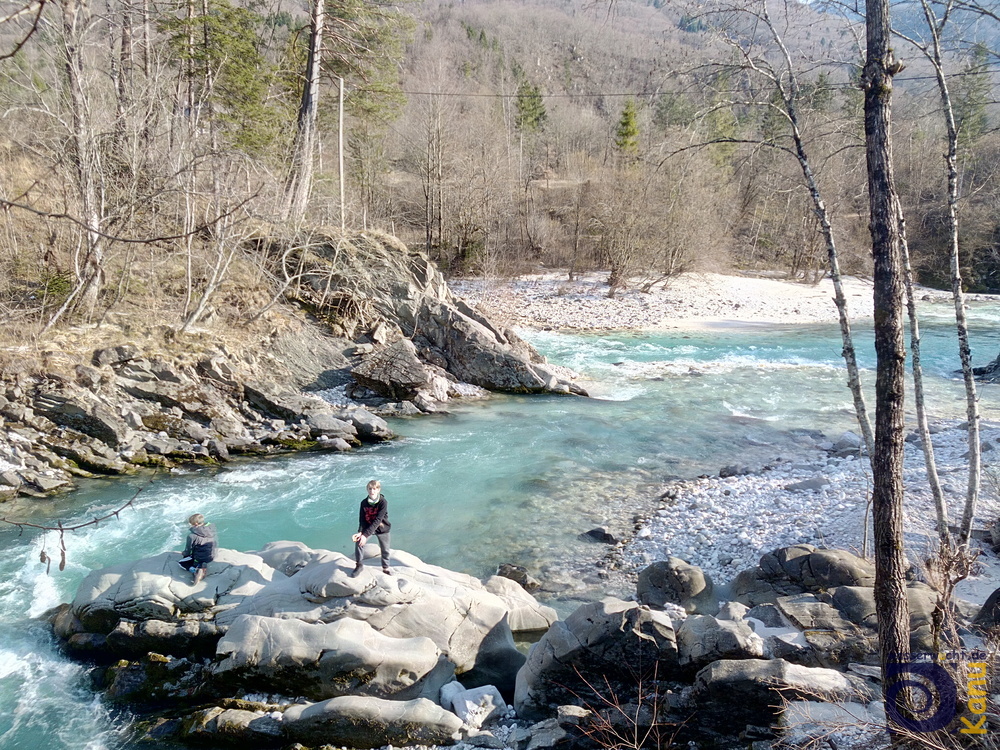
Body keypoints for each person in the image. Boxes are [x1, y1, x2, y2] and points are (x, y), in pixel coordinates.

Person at [351, 480, 391, 577]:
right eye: (370, 488)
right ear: (367, 489)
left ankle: (385, 568)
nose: (372, 491)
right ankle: (359, 565)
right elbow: (362, 519)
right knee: (359, 542)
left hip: (382, 528)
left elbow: (378, 520)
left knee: (385, 549)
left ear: (378, 490)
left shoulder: (383, 502)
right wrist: (360, 532)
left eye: (374, 489)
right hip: (368, 527)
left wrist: (365, 535)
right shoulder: (364, 503)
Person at [178, 513, 217, 585]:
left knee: (181, 563)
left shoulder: (192, 536)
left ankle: (195, 570)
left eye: (191, 524)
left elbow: (188, 550)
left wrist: (184, 553)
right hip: (212, 555)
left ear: (195, 524)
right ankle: (202, 567)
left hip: (200, 557)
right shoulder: (211, 528)